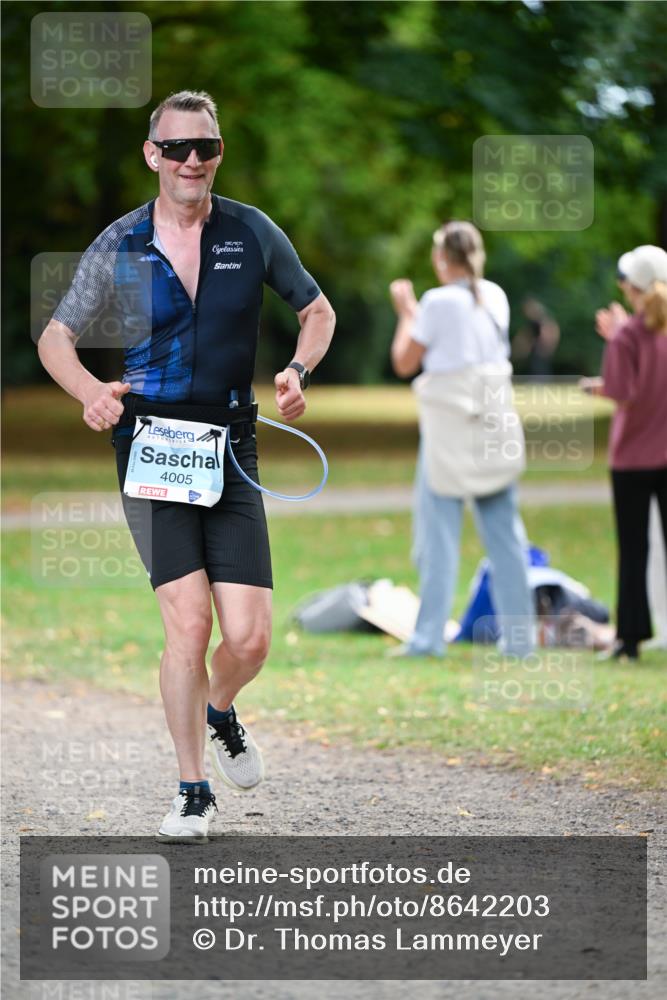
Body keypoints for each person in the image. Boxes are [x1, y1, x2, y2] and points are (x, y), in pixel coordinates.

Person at [37, 90, 335, 839]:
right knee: (188, 623)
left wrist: (298, 370)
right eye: (176, 148)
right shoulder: (121, 243)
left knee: (250, 638)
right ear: (152, 155)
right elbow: (55, 340)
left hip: (232, 445)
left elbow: (318, 311)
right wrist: (89, 395)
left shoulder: (251, 232)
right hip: (152, 447)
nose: (191, 161)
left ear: (218, 152)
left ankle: (219, 709)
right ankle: (191, 790)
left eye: (204, 147)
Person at [388, 220, 534, 658]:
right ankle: (519, 639)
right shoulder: (496, 296)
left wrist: (406, 312)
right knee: (506, 536)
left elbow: (404, 361)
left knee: (438, 538)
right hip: (493, 425)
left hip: (449, 431)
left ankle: (429, 637)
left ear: (441, 258)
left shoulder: (436, 302)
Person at [584, 245, 667, 660]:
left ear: (631, 288)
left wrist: (615, 339)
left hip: (633, 458)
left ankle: (630, 637)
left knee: (634, 550)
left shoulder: (629, 335)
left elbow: (622, 392)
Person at [513, 297, 560, 381]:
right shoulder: (536, 319)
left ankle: (541, 383)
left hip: (541, 347)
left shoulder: (540, 317)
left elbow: (548, 329)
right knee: (538, 366)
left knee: (540, 367)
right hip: (538, 347)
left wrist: (546, 344)